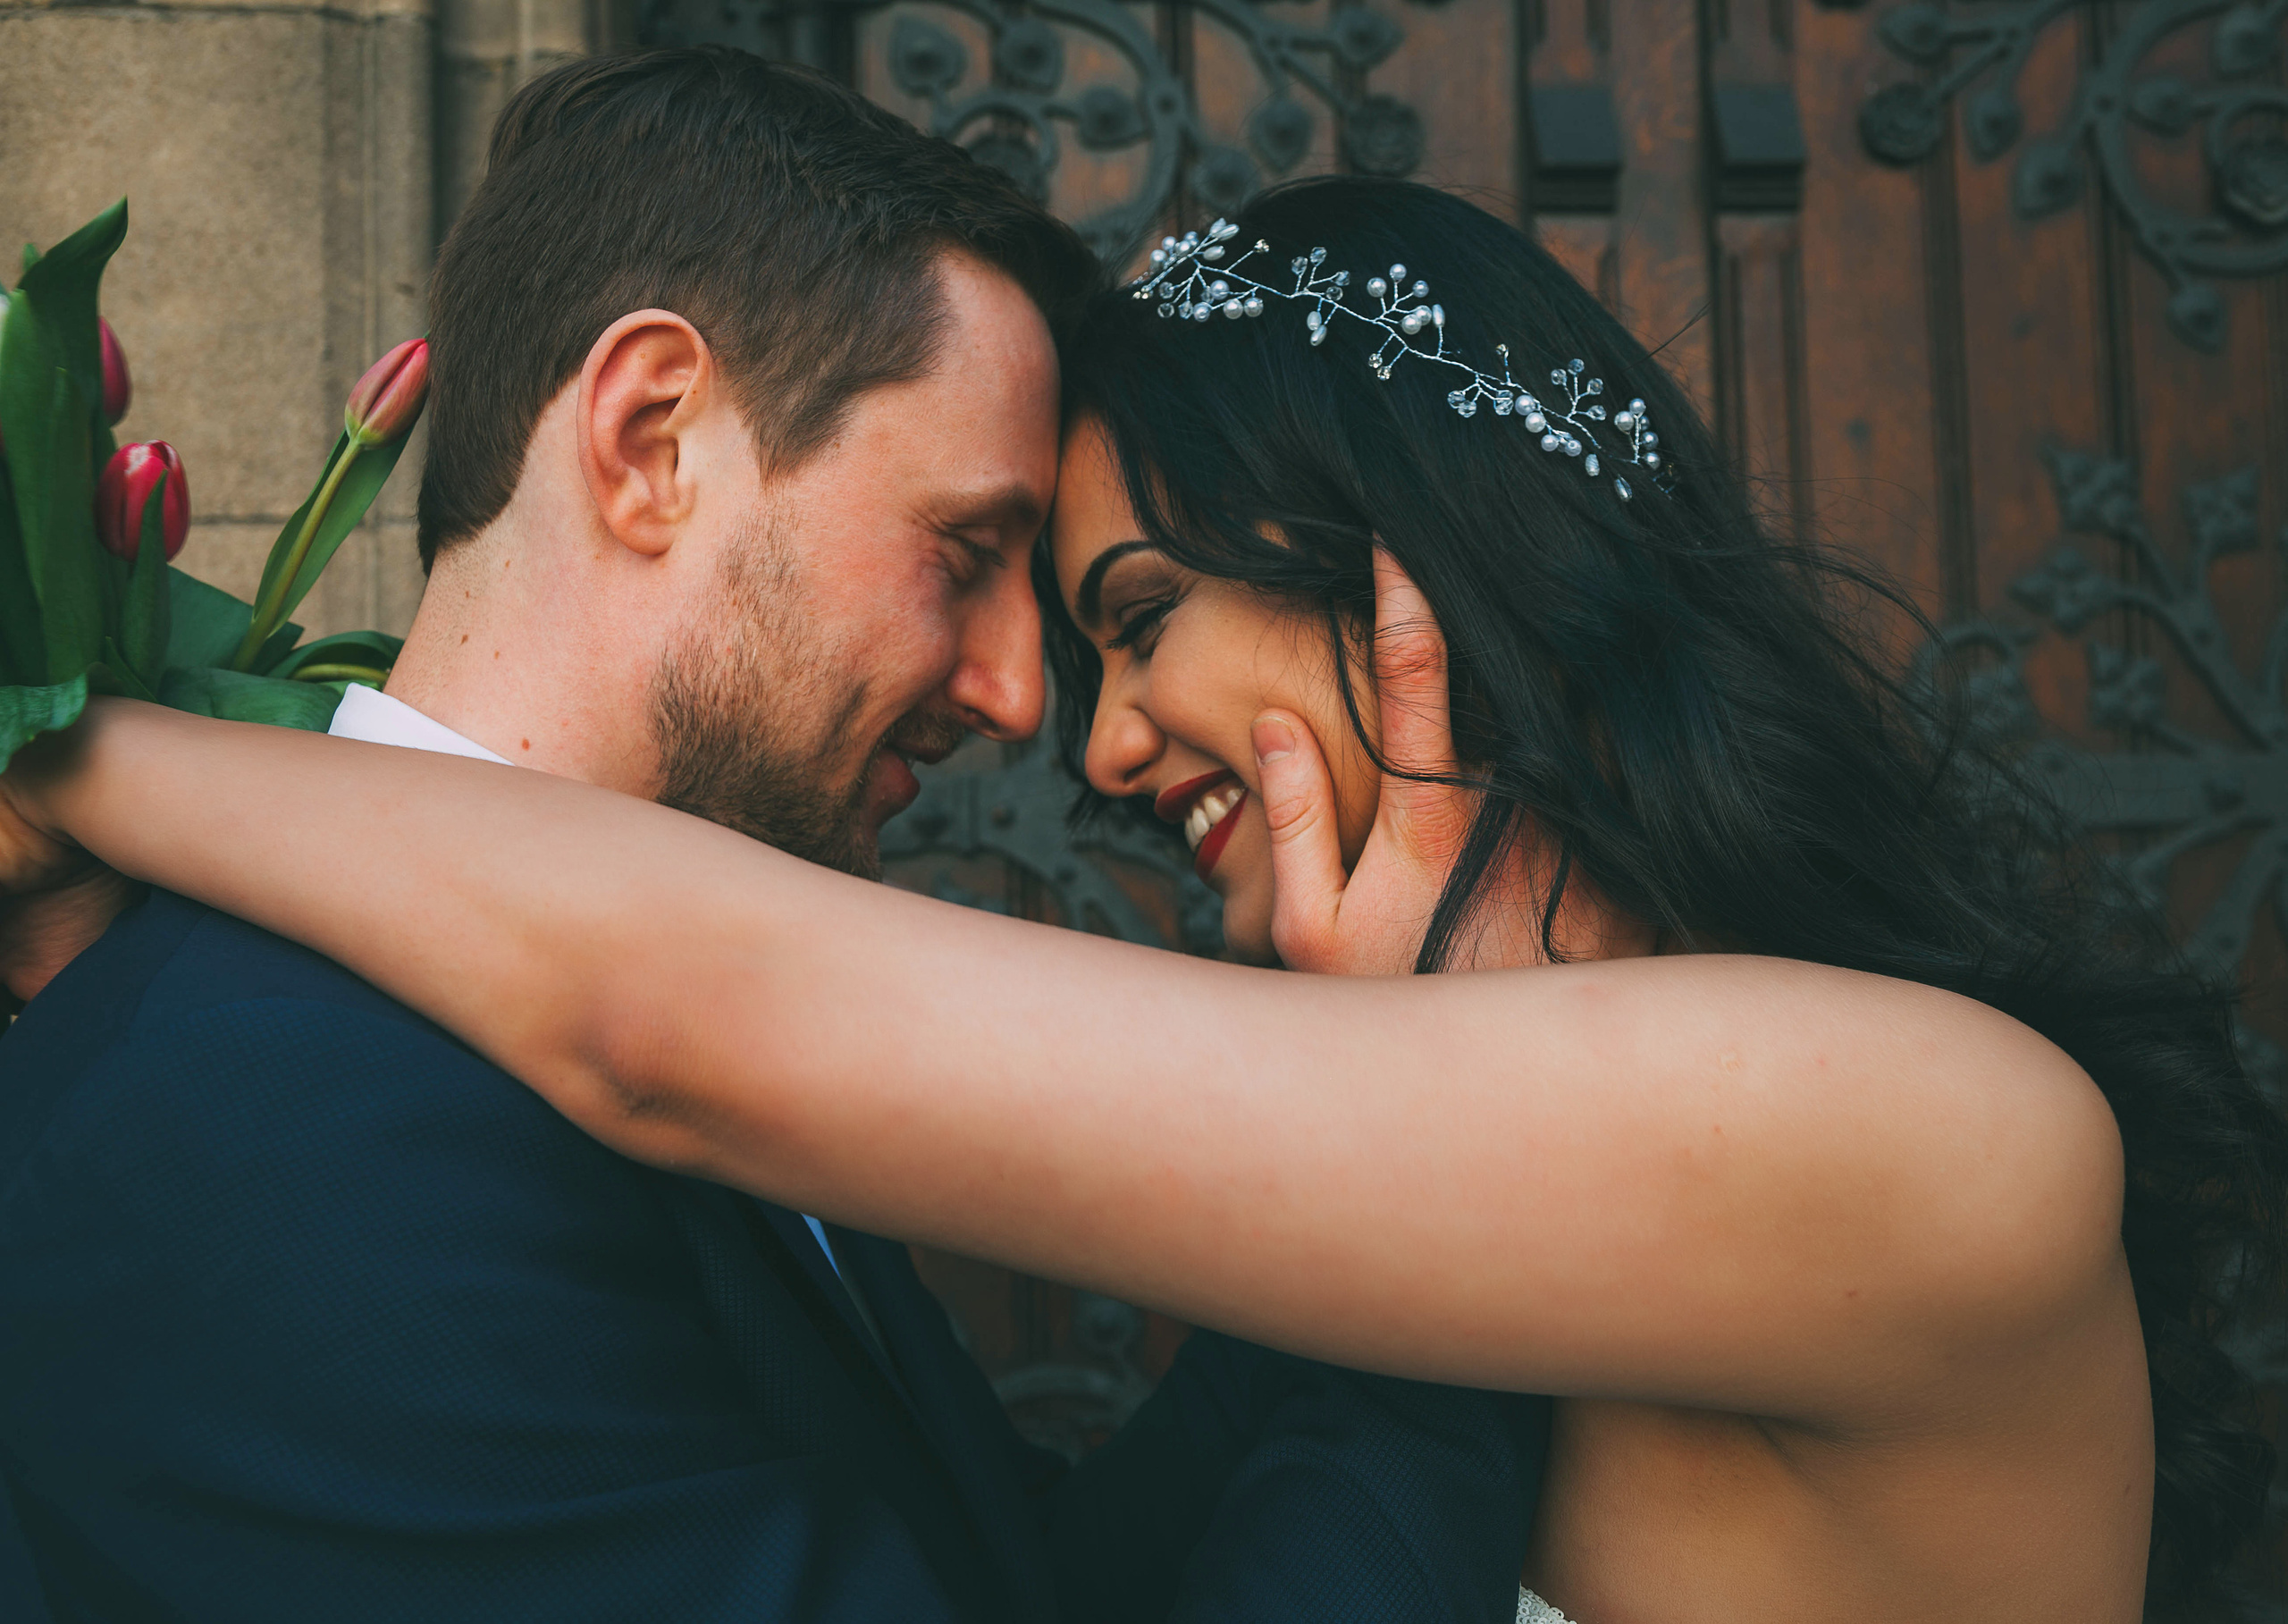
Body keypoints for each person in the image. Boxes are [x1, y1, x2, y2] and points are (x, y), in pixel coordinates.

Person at [4, 176, 2283, 1624]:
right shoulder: (1439, 1188)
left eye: (1125, 601)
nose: (1081, 734)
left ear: (1417, 573)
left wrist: (79, 737)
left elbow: (686, 1020)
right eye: (1002, 583)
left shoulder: (1922, 1123)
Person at [0, 53, 1546, 1624]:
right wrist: (1461, 1195)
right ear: (652, 434)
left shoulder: (705, 1018)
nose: (1025, 699)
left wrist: (1376, 1145)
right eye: (966, 550)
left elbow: (1019, 1579)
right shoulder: (271, 1118)